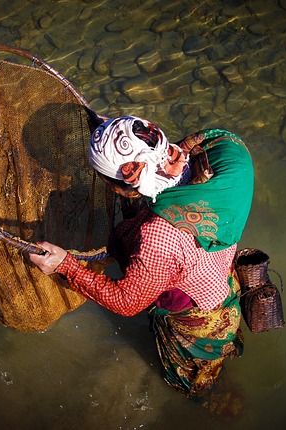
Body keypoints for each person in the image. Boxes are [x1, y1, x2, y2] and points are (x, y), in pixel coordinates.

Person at [29, 115, 254, 398]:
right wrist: (122, 135)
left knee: (197, 386)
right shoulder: (227, 150)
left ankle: (211, 401)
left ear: (125, 184)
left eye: (106, 180)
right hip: (221, 278)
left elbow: (127, 302)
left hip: (198, 322)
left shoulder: (157, 236)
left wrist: (66, 266)